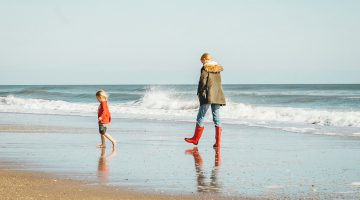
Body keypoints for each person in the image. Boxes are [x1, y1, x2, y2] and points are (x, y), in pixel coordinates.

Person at [184, 53, 226, 148]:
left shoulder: (205, 68)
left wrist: (200, 92)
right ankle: (218, 143)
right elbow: (218, 82)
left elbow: (203, 81)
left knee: (201, 116)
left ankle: (195, 139)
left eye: (202, 60)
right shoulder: (217, 68)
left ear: (205, 59)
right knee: (217, 118)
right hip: (218, 94)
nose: (201, 62)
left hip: (207, 94)